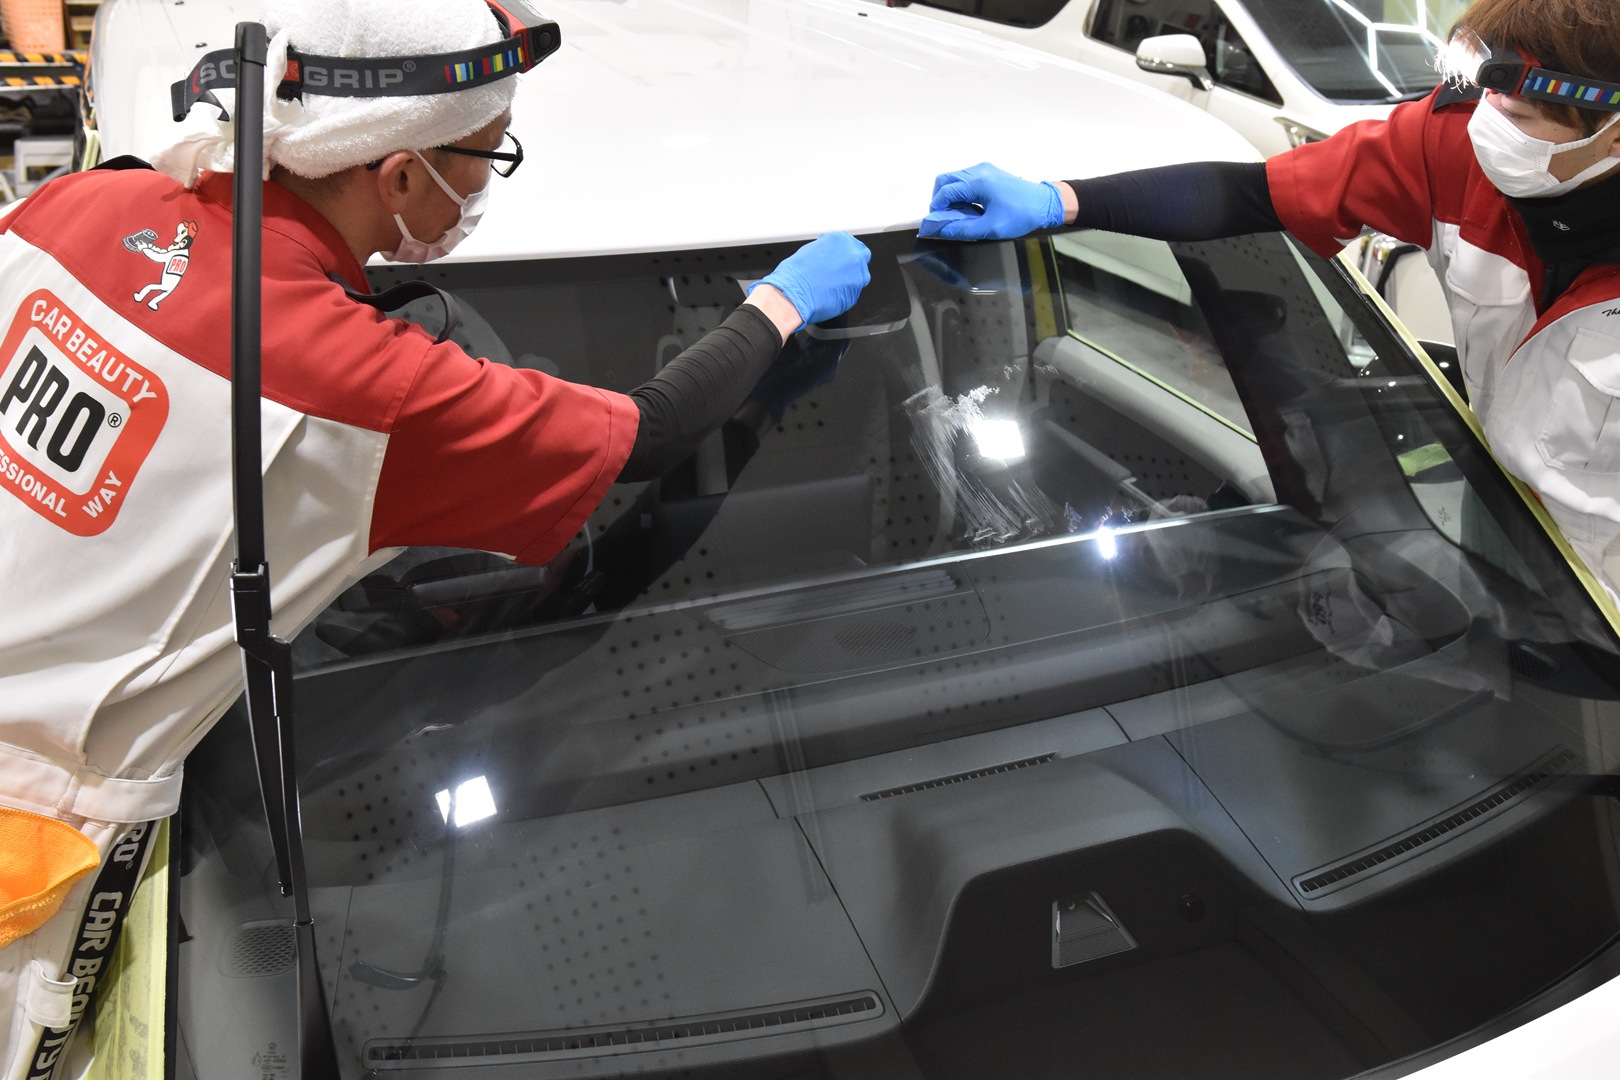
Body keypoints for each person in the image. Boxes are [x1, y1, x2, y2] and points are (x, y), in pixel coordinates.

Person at [0, 0, 869, 1072]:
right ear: (402, 175)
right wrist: (781, 307)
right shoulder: (360, 382)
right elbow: (648, 437)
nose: (485, 183)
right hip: (31, 841)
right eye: (485, 155)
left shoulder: (81, 204)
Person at [919, 0, 1620, 601]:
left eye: (1518, 114)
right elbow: (1252, 194)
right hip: (1517, 535)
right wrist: (1062, 201)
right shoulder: (1453, 147)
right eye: (1490, 101)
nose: (1488, 125)